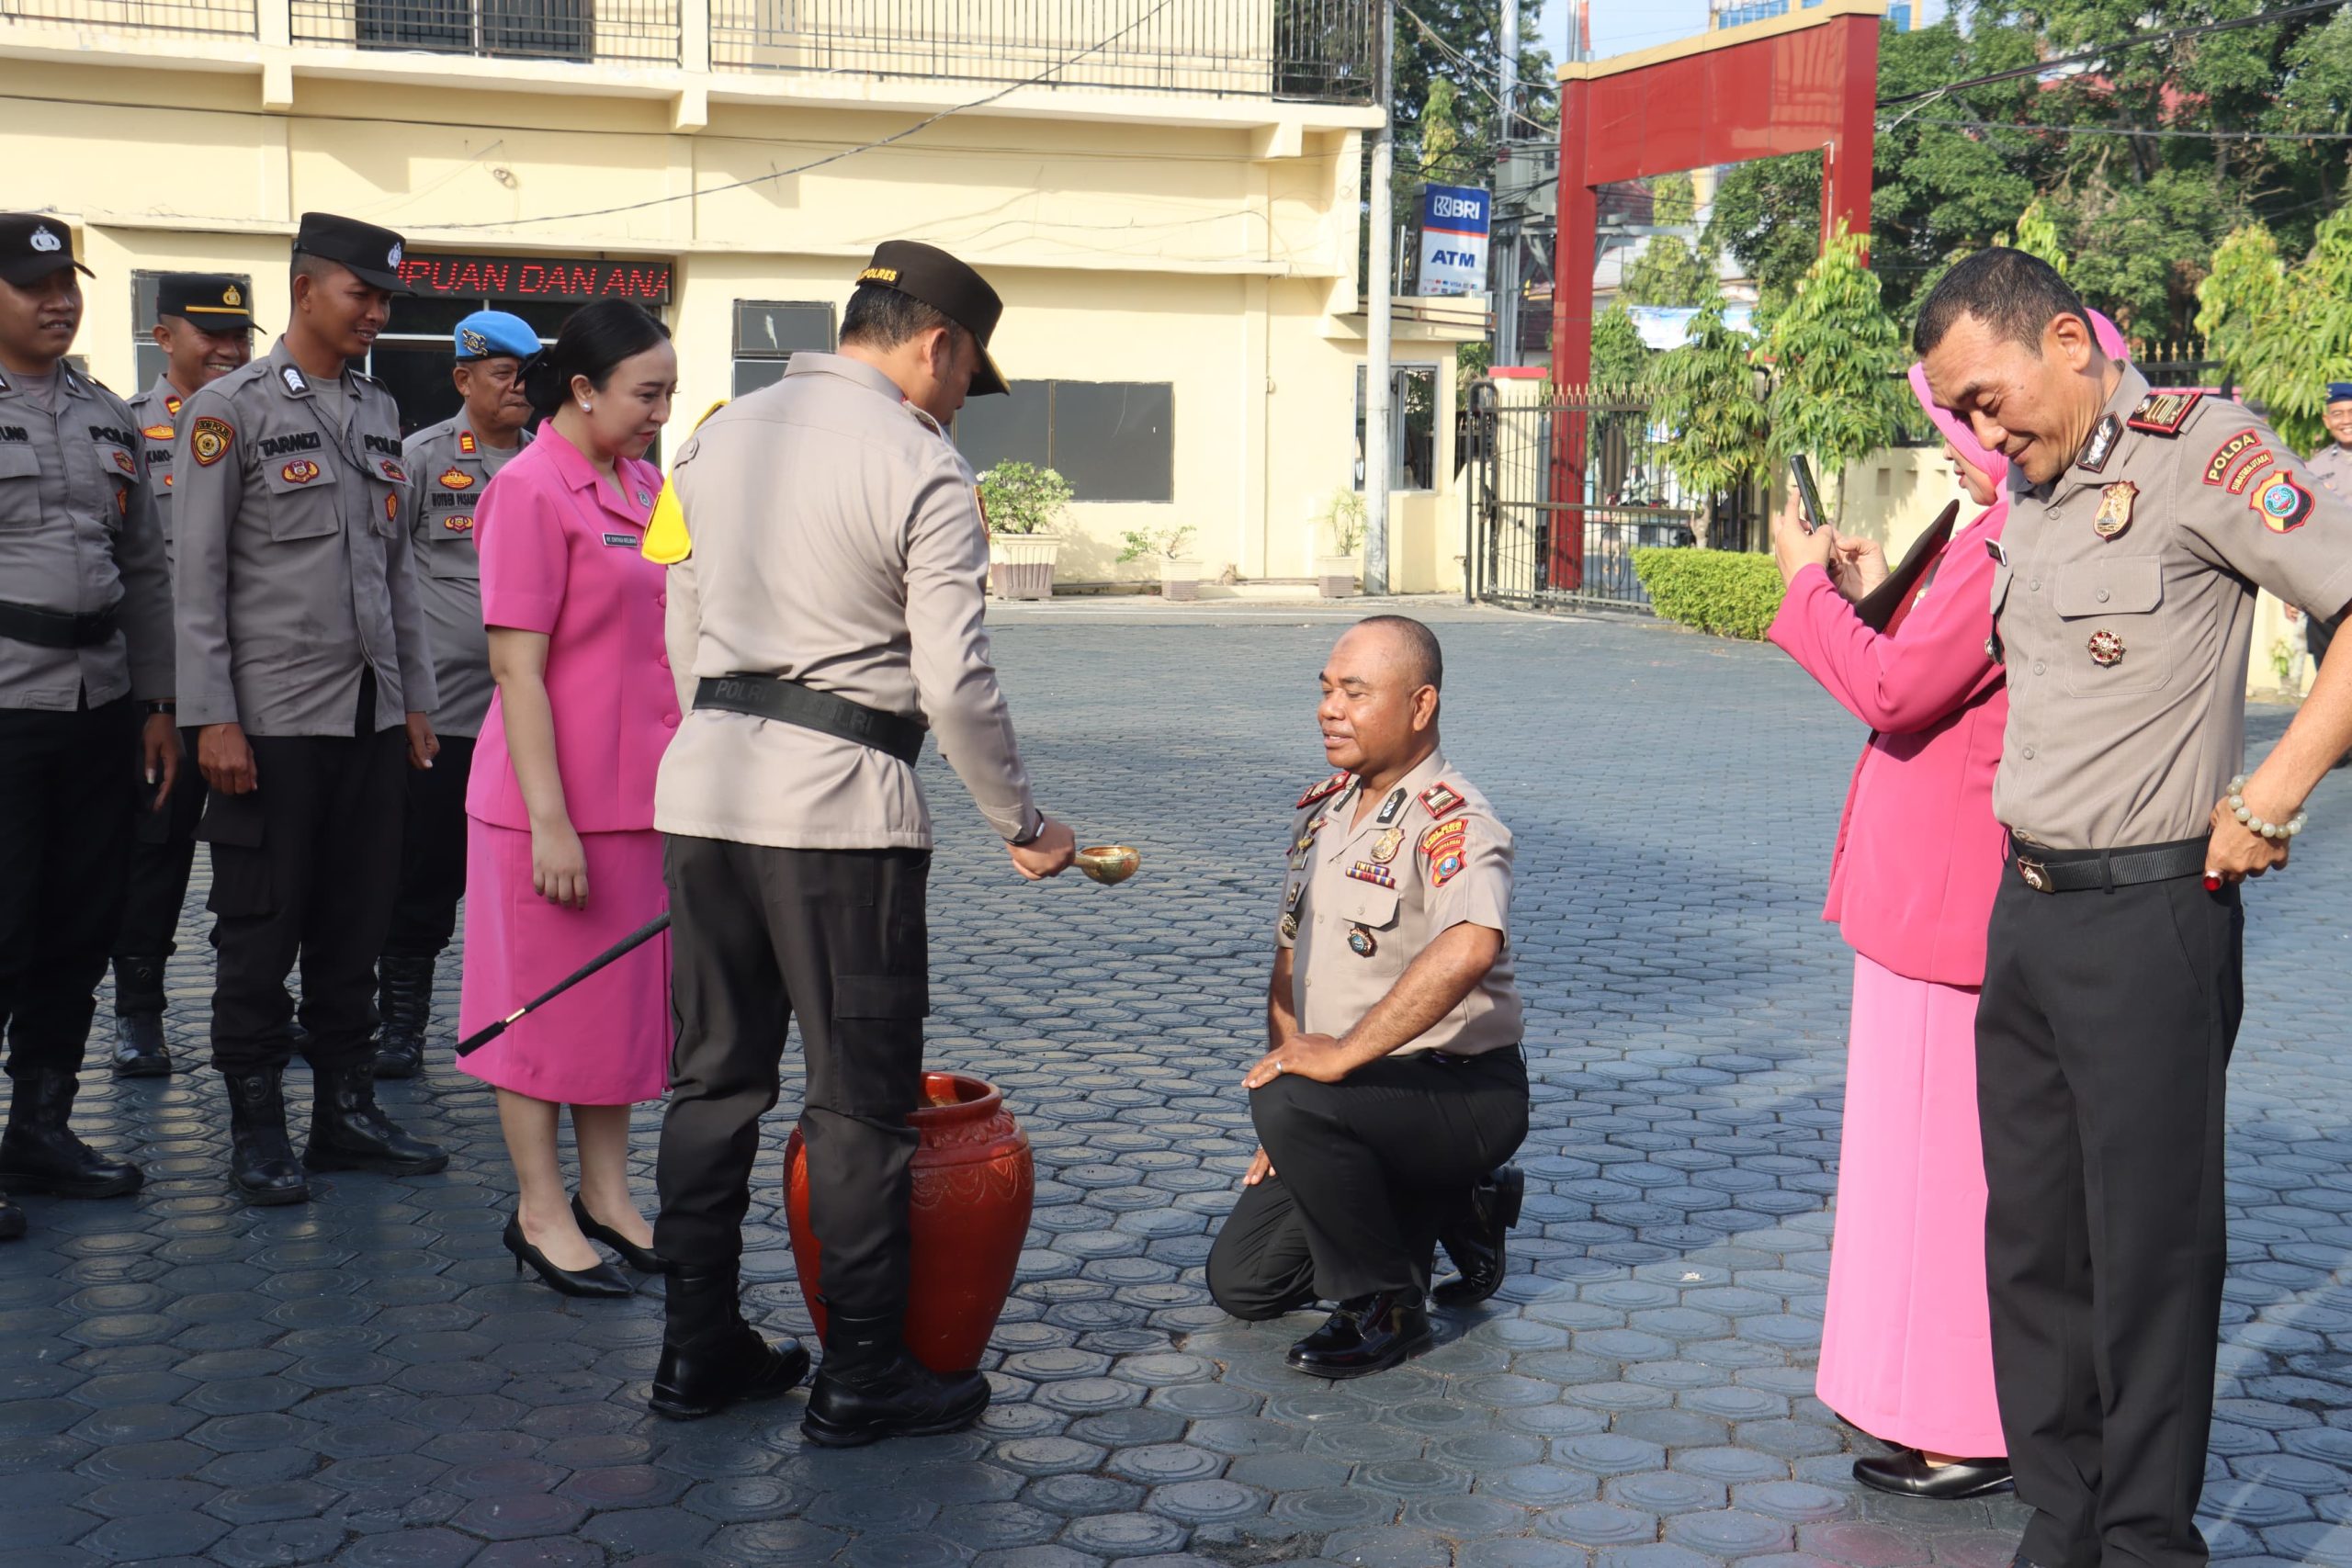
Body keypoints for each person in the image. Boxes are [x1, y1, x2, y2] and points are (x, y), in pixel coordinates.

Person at [1915, 248, 2352, 1568]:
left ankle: (2150, 1537)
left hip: (2155, 913)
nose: (1985, 429)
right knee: (2035, 1244)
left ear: (2064, 340)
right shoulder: (2032, 489)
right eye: (1963, 413)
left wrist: (2278, 785)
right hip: (2030, 912)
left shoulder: (2201, 453)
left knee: (2152, 1249)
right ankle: (2067, 1512)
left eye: (1991, 396)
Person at [650, 241, 1076, 1440]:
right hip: (840, 815)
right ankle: (864, 1371)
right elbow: (953, 676)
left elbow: (680, 619)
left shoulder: (714, 437)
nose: (956, 401)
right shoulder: (921, 463)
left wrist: (722, 756)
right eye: (963, 375)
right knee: (857, 1104)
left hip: (704, 795)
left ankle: (695, 1347)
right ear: (937, 344)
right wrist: (1023, 822)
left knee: (712, 1078)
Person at [175, 211, 448, 1208]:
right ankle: (257, 1131)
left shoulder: (381, 413)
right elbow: (196, 579)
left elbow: (398, 572)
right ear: (306, 289)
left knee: (355, 920)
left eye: (385, 299)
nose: (377, 311)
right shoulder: (230, 410)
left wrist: (415, 700)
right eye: (361, 294)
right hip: (272, 723)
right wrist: (213, 717)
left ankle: (344, 1114)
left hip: (370, 720)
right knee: (260, 926)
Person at [1204, 615, 1529, 1381]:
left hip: (1460, 1090)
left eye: (1355, 691)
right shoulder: (1324, 813)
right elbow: (1290, 965)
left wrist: (1334, 1062)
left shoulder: (1454, 819)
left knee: (1292, 1100)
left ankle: (1388, 1307)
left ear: (1420, 706)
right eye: (1325, 690)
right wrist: (1294, 1084)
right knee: (1244, 1282)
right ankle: (1456, 1207)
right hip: (1360, 1097)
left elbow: (1472, 943)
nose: (1329, 708)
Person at [456, 300, 676, 1297]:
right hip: (547, 807)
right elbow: (517, 671)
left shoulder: (644, 484)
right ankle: (540, 1211)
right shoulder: (529, 491)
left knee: (617, 1013)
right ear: (583, 389)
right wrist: (551, 821)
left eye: (667, 393)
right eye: (646, 393)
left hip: (638, 800)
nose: (660, 413)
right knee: (534, 1013)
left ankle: (608, 1195)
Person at [0, 216, 177, 1242]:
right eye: (30, 286)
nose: (55, 300)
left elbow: (146, 573)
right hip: (6, 709)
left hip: (99, 708)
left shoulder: (109, 415)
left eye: (64, 281)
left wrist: (157, 704)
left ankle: (41, 1131)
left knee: (78, 926)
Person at [373, 309, 538, 1080]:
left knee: (529, 883)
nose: (517, 387)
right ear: (463, 378)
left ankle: (530, 1019)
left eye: (525, 372)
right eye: (502, 373)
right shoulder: (418, 460)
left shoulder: (553, 464)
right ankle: (401, 1023)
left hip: (532, 719)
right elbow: (383, 578)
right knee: (425, 871)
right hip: (447, 717)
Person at [107, 273, 254, 1077]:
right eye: (211, 336)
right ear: (165, 339)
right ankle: (139, 1013)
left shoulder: (264, 420)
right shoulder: (127, 429)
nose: (230, 351)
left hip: (256, 680)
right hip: (166, 688)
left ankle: (256, 997)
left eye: (240, 337)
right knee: (154, 848)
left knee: (257, 850)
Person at [2299, 383, 2352, 671]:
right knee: (2329, 665)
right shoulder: (2314, 469)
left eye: (2351, 412)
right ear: (2326, 420)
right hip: (2330, 586)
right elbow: (2304, 531)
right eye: (2338, 413)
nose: (2346, 420)